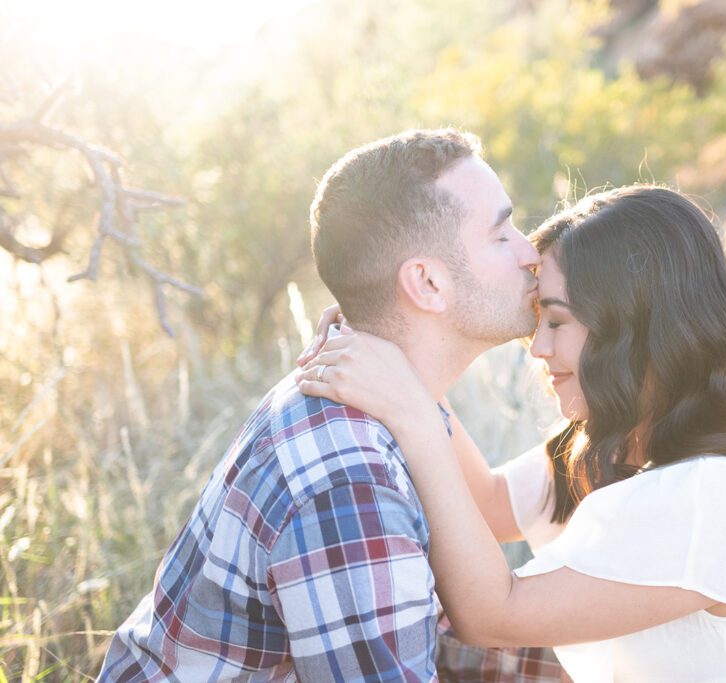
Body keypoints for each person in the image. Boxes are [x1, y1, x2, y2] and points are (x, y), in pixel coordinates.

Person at [296, 185, 726, 681]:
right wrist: (399, 349)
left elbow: (494, 615)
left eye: (557, 321)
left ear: (636, 329)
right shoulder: (626, 442)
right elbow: (490, 504)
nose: (538, 348)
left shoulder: (715, 493)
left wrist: (413, 413)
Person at [98, 129, 565, 681]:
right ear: (427, 283)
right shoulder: (349, 479)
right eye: (500, 234)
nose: (530, 252)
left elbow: (476, 541)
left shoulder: (391, 392)